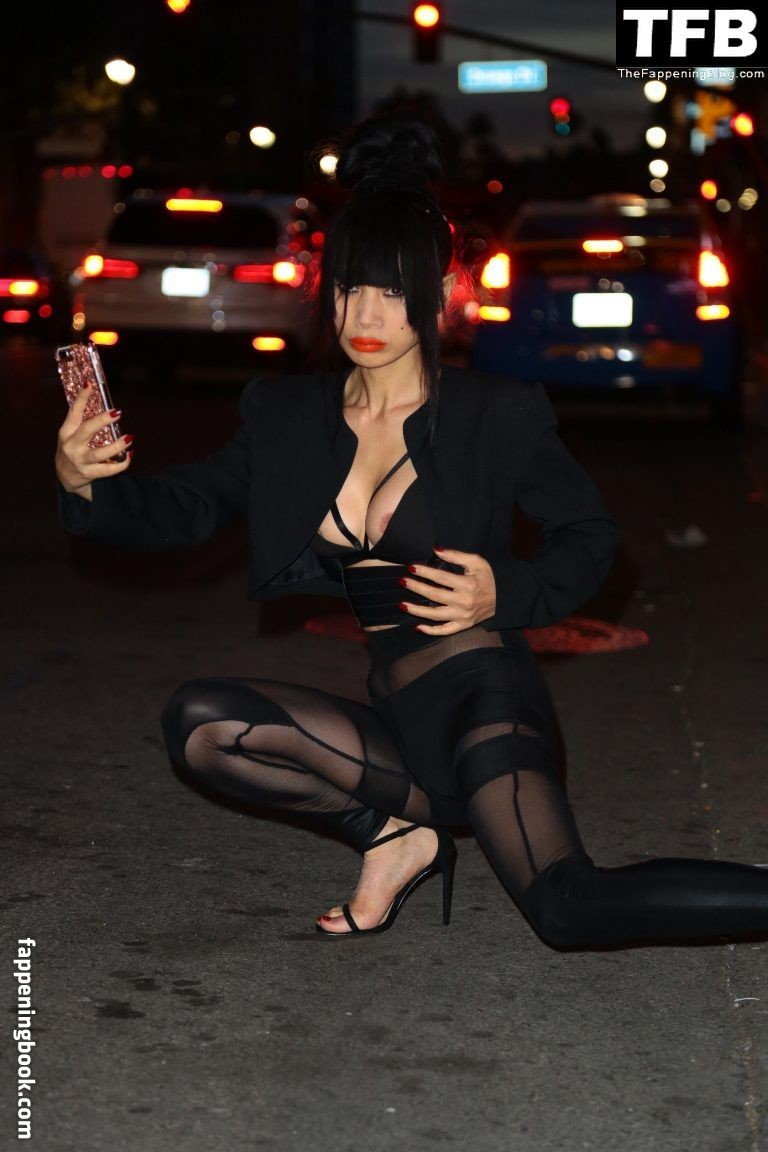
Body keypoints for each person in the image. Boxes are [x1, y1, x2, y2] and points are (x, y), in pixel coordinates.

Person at [55, 114, 768, 948]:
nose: (366, 313)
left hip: (487, 707)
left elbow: (591, 535)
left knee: (570, 909)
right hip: (396, 720)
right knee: (201, 723)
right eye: (350, 287)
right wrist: (84, 481)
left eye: (393, 292)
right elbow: (189, 507)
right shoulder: (286, 415)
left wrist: (508, 589)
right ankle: (394, 835)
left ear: (436, 293)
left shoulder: (493, 413)